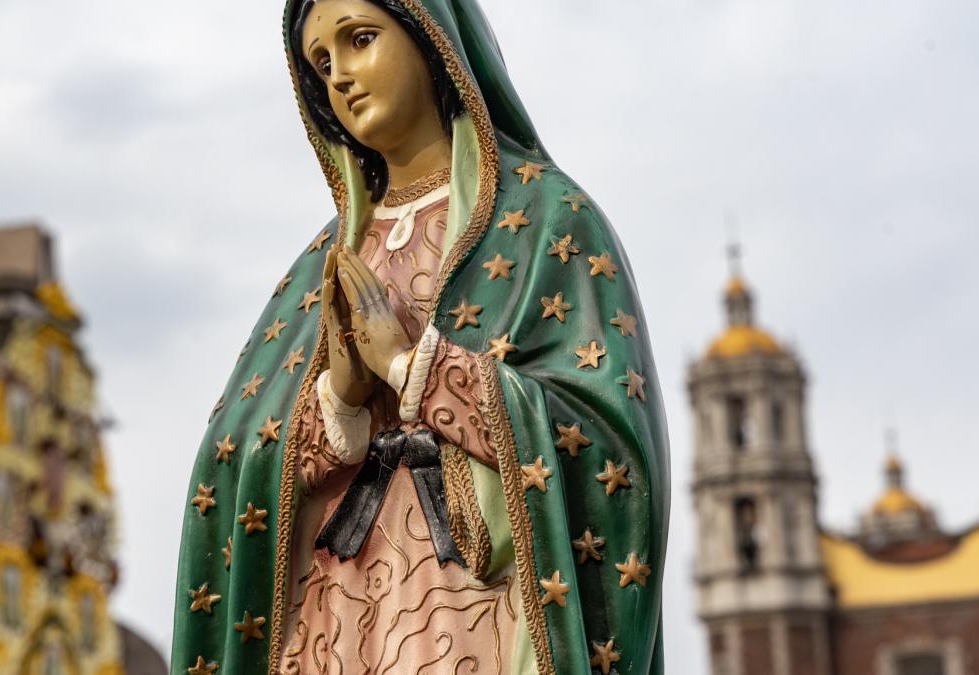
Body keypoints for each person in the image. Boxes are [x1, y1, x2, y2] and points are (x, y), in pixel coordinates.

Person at [171, 0, 670, 672]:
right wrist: (340, 399)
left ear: (432, 39)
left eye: (361, 39)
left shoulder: (548, 218)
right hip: (339, 615)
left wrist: (416, 370)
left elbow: (606, 438)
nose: (341, 76)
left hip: (477, 612)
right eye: (322, 62)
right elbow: (237, 455)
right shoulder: (326, 261)